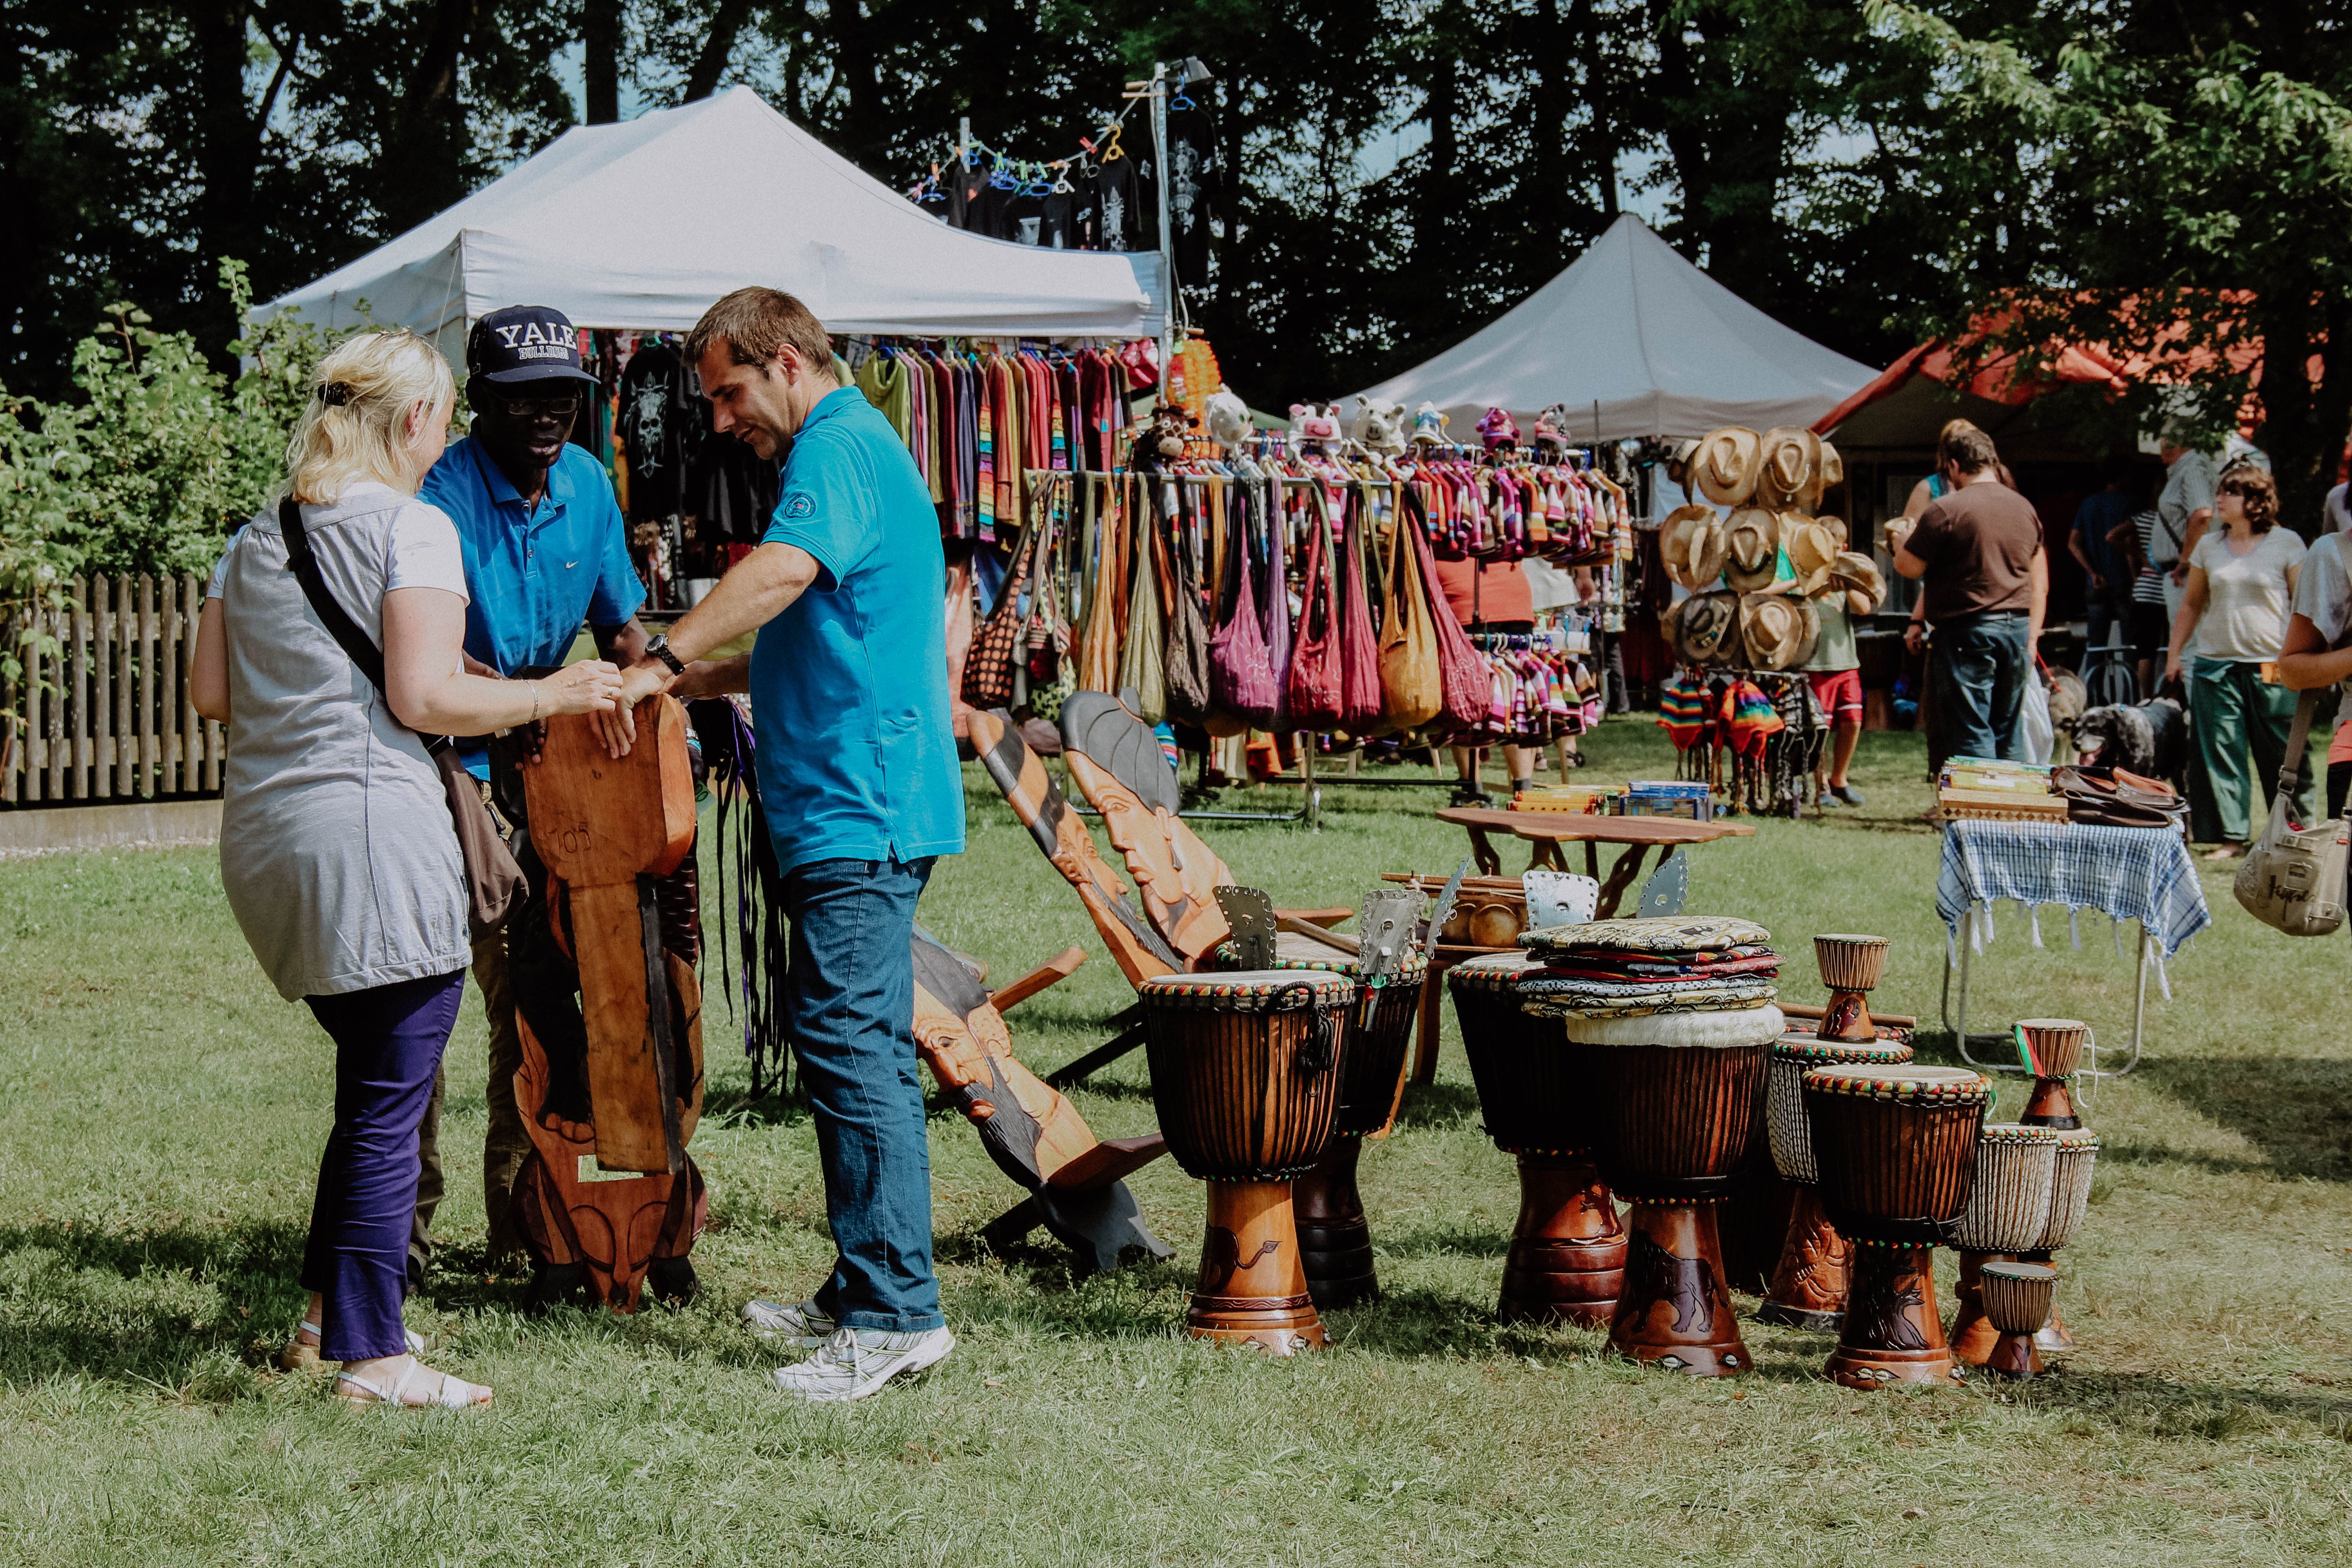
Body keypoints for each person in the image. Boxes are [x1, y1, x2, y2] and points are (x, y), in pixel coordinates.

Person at [191, 328, 620, 1407]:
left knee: (371, 1087)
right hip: (377, 840)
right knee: (392, 1099)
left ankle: (327, 1317)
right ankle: (375, 1357)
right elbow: (427, 696)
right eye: (445, 415)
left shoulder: (256, 534)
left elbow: (212, 692)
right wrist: (555, 692)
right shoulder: (414, 526)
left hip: (267, 841)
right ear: (418, 419)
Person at [603, 287, 963, 1403]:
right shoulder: (852, 446)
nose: (720, 421)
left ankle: (895, 1313)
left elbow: (783, 574)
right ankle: (863, 1288)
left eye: (729, 393)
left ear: (790, 363)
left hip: (863, 804)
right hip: (851, 800)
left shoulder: (838, 446)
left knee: (853, 1043)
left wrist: (663, 658)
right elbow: (822, 639)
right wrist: (702, 680)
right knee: (848, 1038)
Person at [393, 305, 657, 1305]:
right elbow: (424, 653)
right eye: (521, 399)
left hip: (553, 777)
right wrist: (529, 702)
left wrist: (664, 702)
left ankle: (523, 1225)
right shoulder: (436, 498)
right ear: (480, 404)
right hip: (444, 772)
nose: (546, 415)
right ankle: (399, 1246)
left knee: (536, 1006)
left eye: (562, 397)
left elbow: (623, 631)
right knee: (427, 1005)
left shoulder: (587, 484)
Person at [2165, 464, 2311, 857]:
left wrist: (2307, 657)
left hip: (2273, 665)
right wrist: (2175, 653)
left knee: (2284, 752)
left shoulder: (2287, 543)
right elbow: (2192, 604)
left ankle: (2294, 831)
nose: (2220, 499)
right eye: (2220, 491)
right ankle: (2231, 838)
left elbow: (2304, 605)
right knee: (2221, 751)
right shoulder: (2208, 546)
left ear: (2256, 501)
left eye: (2231, 492)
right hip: (2216, 665)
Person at [1890, 424, 2048, 763]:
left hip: (1968, 631)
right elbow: (2038, 577)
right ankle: (2011, 798)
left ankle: (1981, 798)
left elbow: (1908, 567)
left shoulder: (1946, 509)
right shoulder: (2024, 508)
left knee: (1971, 731)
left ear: (1954, 466)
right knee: (2008, 731)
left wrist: (1900, 543)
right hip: (2017, 631)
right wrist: (2033, 635)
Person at [1431, 551, 1537, 803]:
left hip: (1462, 595)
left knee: (1464, 694)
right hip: (1513, 594)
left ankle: (1472, 787)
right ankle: (1524, 788)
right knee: (1515, 691)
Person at [1803, 562, 1884, 807]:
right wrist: (1820, 585)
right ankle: (1821, 786)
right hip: (1815, 666)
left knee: (1853, 723)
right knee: (1820, 731)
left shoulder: (1848, 581)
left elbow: (1864, 608)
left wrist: (1848, 586)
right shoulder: (1805, 575)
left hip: (1846, 664)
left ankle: (1839, 779)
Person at [2067, 455, 2136, 662]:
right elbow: (2130, 544)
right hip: (2123, 580)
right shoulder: (2129, 503)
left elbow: (2073, 543)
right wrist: (2136, 579)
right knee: (2130, 643)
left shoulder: (2089, 504)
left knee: (2096, 645)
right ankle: (2130, 683)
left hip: (2096, 583)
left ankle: (2094, 683)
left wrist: (2092, 572)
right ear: (2123, 476)